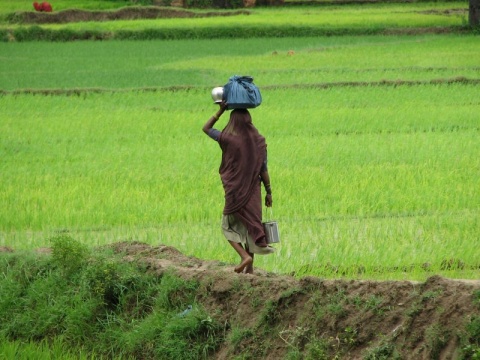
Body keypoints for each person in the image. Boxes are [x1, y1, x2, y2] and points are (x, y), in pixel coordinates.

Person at [202, 101, 275, 274]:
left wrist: (220, 111)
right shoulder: (260, 142)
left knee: (227, 227)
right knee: (251, 227)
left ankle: (244, 256)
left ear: (232, 122)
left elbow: (206, 128)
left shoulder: (227, 139)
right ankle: (249, 270)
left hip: (234, 192)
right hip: (254, 192)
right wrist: (269, 191)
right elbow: (263, 169)